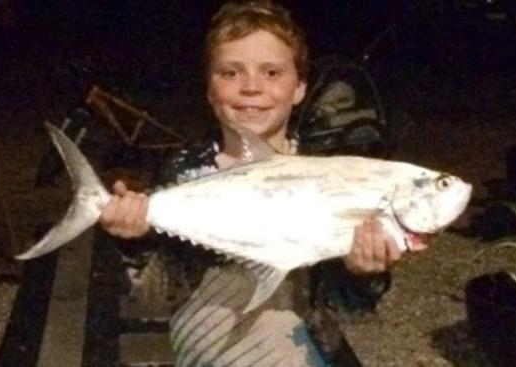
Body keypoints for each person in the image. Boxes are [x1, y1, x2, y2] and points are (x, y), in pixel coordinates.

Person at [100, 1, 423, 365]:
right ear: (209, 88)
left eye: (271, 73)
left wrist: (363, 273)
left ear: (299, 87)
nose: (251, 87)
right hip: (207, 355)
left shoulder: (325, 176)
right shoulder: (182, 174)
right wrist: (134, 243)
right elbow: (156, 299)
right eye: (231, 72)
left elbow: (351, 311)